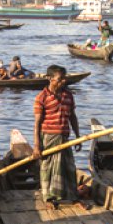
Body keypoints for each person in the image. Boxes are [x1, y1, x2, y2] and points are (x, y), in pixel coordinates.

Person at [33, 65, 88, 210]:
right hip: (48, 137)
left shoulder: (68, 95)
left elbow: (73, 117)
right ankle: (49, 198)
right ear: (50, 79)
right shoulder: (42, 97)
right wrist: (37, 146)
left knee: (68, 167)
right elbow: (37, 123)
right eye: (60, 79)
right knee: (49, 169)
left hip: (64, 137)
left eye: (64, 78)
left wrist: (78, 136)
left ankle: (72, 197)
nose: (63, 81)